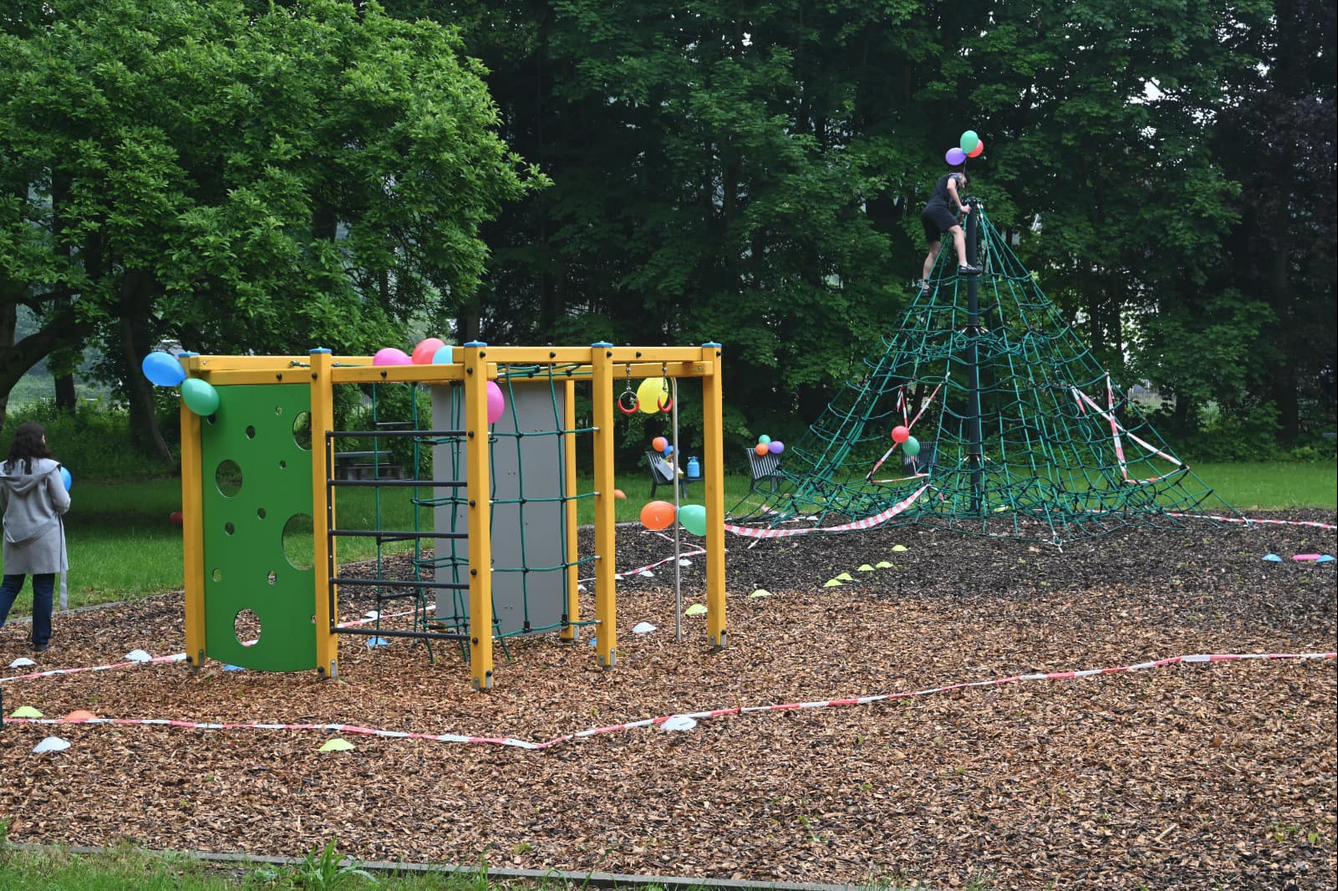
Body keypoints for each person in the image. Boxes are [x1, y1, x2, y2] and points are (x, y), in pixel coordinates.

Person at [0, 422, 71, 654]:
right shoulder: (50, 469)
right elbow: (63, 503)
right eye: (43, 437)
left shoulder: (4, 471)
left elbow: (4, 504)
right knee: (43, 587)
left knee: (10, 585)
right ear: (39, 440)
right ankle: (40, 641)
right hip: (44, 536)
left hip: (14, 535)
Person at [919, 166, 981, 297]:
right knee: (958, 232)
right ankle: (963, 264)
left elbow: (946, 214)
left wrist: (958, 216)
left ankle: (924, 286)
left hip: (927, 212)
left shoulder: (942, 189)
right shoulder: (956, 176)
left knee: (934, 250)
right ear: (963, 176)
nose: (963, 187)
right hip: (937, 209)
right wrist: (961, 207)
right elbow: (950, 187)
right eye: (965, 184)